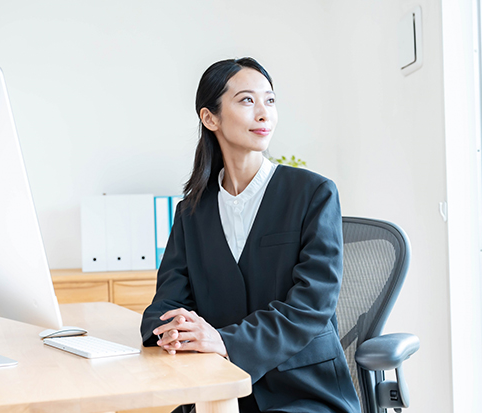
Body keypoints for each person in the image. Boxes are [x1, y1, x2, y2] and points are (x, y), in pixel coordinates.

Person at [140, 57, 361, 413]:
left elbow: (311, 306)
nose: (264, 113)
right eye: (247, 100)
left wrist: (221, 340)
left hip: (302, 392)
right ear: (210, 118)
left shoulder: (312, 193)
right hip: (217, 385)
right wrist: (177, 328)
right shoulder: (191, 212)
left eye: (270, 101)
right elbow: (164, 306)